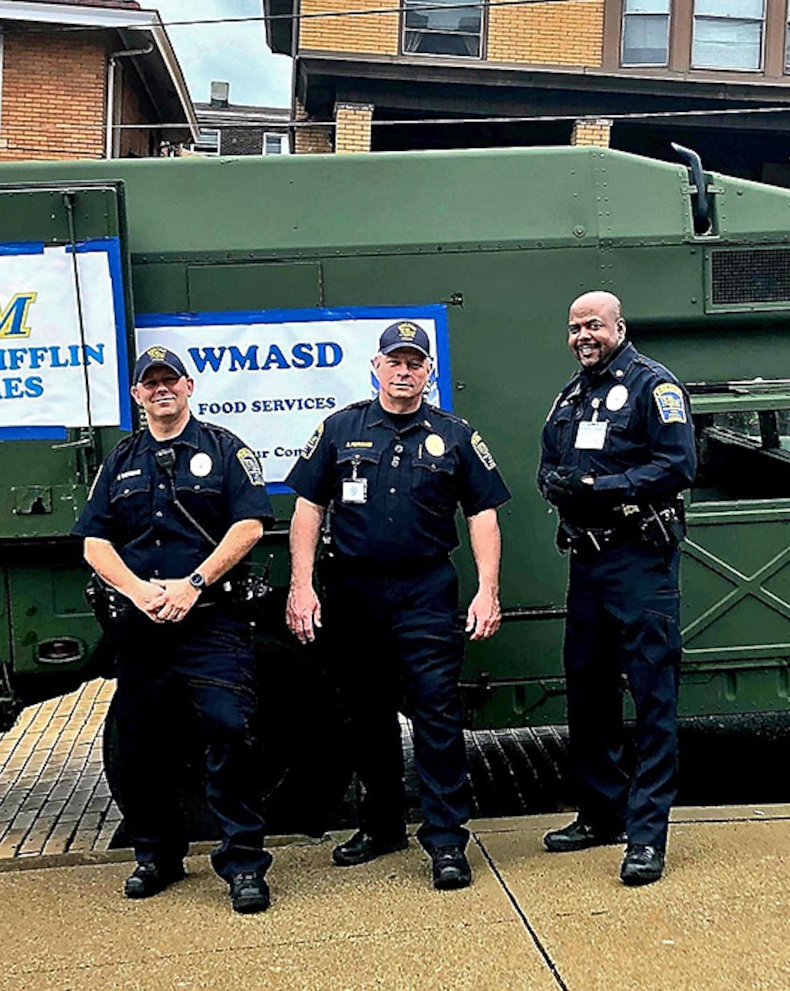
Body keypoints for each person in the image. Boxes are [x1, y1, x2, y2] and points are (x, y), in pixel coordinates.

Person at [284, 320, 510, 891]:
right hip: (354, 592)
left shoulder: (455, 436)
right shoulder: (340, 429)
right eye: (395, 361)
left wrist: (488, 589)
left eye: (415, 362)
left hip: (425, 592)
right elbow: (308, 509)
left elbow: (483, 516)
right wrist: (301, 585)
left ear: (430, 371)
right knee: (366, 715)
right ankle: (381, 827)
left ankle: (446, 842)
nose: (404, 371)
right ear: (376, 367)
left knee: (436, 714)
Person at [72, 346, 277, 914]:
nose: (161, 389)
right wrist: (138, 591)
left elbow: (251, 524)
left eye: (170, 380)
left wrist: (194, 583)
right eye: (150, 383)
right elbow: (94, 541)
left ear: (189, 387)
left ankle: (243, 864)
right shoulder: (120, 461)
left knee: (230, 731)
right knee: (142, 743)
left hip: (210, 619)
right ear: (137, 395)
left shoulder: (225, 449)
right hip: (142, 623)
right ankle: (157, 856)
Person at [538, 291, 696, 886]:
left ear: (619, 327)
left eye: (594, 325)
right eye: (575, 326)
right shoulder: (572, 393)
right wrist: (557, 484)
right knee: (588, 690)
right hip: (589, 565)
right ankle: (600, 813)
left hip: (641, 563)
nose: (583, 335)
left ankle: (646, 835)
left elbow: (678, 465)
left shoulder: (655, 386)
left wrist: (601, 488)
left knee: (654, 699)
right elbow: (550, 459)